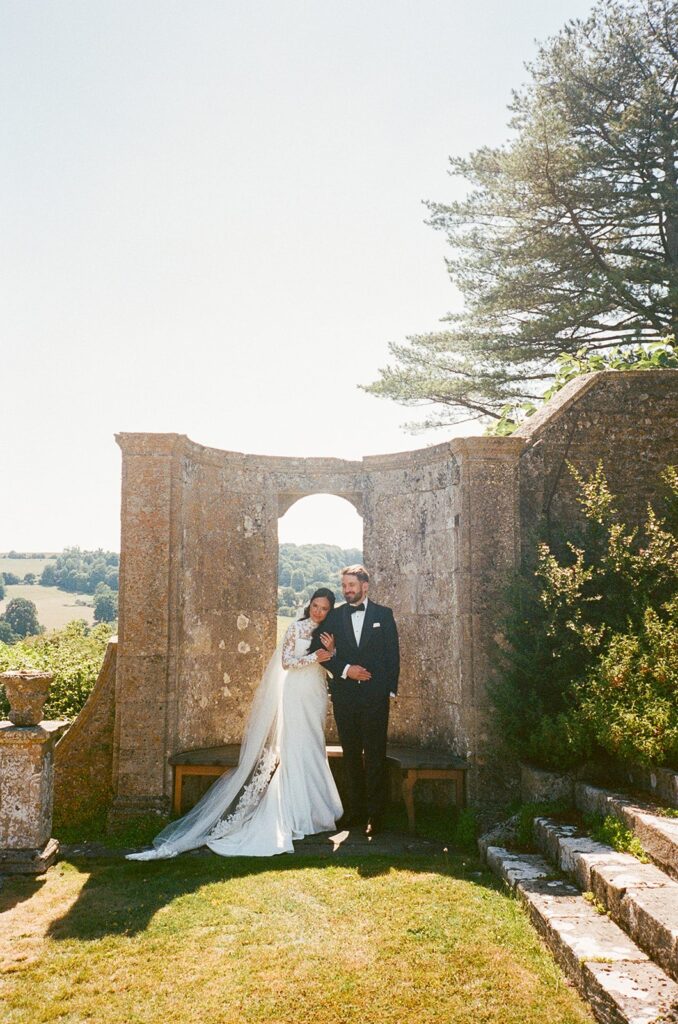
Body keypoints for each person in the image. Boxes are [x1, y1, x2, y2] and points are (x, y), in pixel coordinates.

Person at [126, 588, 342, 860]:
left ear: (329, 610)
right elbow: (286, 663)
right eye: (315, 606)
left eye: (324, 608)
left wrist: (331, 652)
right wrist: (314, 657)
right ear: (309, 604)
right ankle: (297, 813)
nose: (318, 612)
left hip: (315, 693)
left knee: (313, 745)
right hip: (295, 693)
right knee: (296, 747)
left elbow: (331, 665)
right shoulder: (295, 629)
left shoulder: (328, 633)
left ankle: (318, 810)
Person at [309, 565, 400, 837]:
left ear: (365, 585)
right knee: (350, 755)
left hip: (375, 697)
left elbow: (392, 655)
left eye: (352, 585)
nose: (347, 590)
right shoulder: (335, 617)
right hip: (345, 697)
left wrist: (388, 690)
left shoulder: (383, 615)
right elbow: (317, 647)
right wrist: (347, 670)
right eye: (344, 586)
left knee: (374, 754)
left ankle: (375, 814)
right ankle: (355, 810)